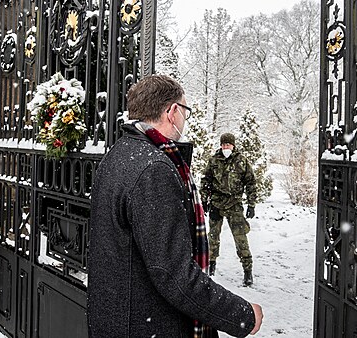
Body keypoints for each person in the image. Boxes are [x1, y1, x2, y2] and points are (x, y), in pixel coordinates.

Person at [87, 75, 263, 338]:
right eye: (185, 111)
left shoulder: (120, 152)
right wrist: (242, 315)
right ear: (173, 112)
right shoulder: (153, 169)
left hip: (117, 318)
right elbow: (172, 273)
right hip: (145, 324)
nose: (184, 120)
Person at [201, 133, 257, 286]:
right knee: (212, 238)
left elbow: (251, 182)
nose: (226, 147)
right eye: (224, 144)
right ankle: (210, 268)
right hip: (217, 204)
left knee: (241, 239)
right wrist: (204, 200)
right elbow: (206, 181)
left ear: (233, 145)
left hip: (234, 204)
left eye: (228, 145)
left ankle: (247, 271)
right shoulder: (214, 161)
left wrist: (251, 204)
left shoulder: (241, 161)